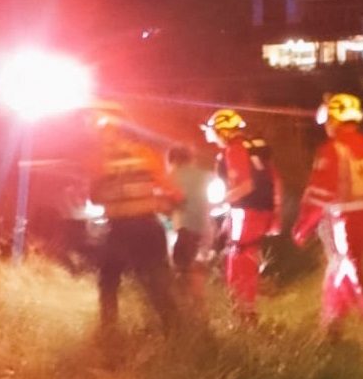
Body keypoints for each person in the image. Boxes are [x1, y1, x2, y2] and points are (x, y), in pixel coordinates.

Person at [291, 93, 363, 353]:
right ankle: (335, 328)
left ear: (334, 119)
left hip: (346, 224)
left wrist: (302, 227)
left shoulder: (331, 150)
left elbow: (319, 193)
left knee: (357, 276)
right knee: (348, 274)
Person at [89, 112, 181, 333]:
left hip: (119, 228)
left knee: (108, 283)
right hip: (148, 226)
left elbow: (94, 197)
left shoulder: (101, 161)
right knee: (156, 282)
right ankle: (174, 330)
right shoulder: (146, 155)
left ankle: (109, 331)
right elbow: (172, 191)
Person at [201, 109, 282, 324]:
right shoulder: (254, 149)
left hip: (246, 213)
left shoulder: (234, 151)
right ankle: (246, 311)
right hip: (257, 212)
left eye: (214, 131)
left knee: (239, 260)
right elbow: (275, 181)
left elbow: (246, 186)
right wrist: (274, 215)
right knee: (242, 257)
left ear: (222, 131)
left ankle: (244, 314)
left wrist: (218, 202)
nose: (212, 136)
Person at [166, 145, 213, 315]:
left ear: (172, 161)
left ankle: (188, 312)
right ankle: (201, 311)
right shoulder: (206, 176)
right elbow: (216, 200)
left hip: (184, 229)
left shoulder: (170, 177)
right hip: (206, 230)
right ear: (192, 159)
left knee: (182, 271)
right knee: (198, 269)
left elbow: (165, 204)